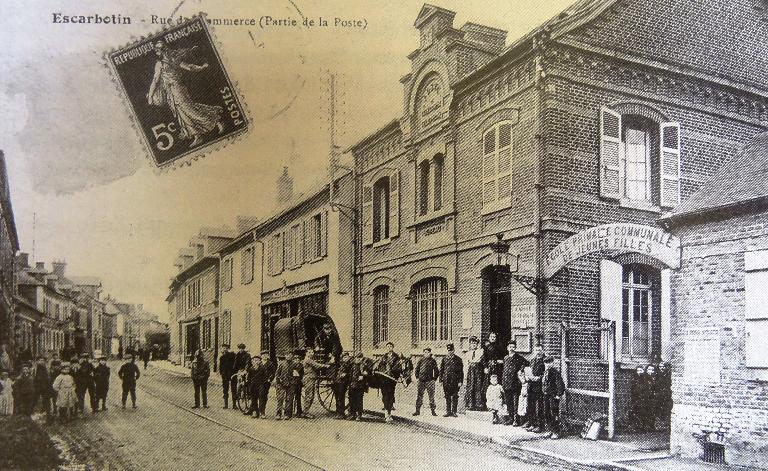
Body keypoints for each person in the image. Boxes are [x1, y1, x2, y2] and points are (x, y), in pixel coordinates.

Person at [146, 40, 225, 148]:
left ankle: (217, 122)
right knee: (181, 114)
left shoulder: (169, 61)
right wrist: (150, 96)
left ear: (162, 51)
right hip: (170, 92)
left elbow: (188, 67)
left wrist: (201, 67)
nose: (157, 53)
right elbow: (156, 80)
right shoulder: (163, 63)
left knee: (189, 110)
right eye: (156, 51)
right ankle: (197, 136)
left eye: (158, 50)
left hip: (178, 89)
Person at [501, 340, 529, 426]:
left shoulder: (519, 357)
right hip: (506, 383)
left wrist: (521, 370)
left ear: (515, 348)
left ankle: (516, 419)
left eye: (513, 347)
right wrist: (503, 382)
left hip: (515, 383)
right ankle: (510, 418)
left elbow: (527, 363)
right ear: (507, 348)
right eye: (510, 347)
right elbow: (504, 371)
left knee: (515, 401)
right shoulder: (505, 358)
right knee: (508, 401)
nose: (512, 349)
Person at [374, 342, 401, 423]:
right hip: (384, 380)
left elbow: (398, 368)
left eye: (390, 346)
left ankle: (390, 413)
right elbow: (380, 366)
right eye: (388, 346)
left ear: (393, 347)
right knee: (385, 395)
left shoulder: (396, 357)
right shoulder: (384, 357)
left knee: (391, 395)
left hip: (392, 380)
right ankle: (386, 414)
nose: (389, 348)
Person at [301, 348, 329, 418]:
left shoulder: (310, 359)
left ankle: (306, 411)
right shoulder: (307, 359)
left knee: (311, 395)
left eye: (312, 352)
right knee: (309, 395)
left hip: (312, 378)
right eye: (309, 352)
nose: (311, 353)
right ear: (306, 353)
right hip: (308, 378)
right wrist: (326, 365)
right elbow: (316, 365)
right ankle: (305, 412)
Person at [542, 356, 565, 439]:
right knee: (546, 413)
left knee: (553, 413)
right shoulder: (545, 372)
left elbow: (560, 384)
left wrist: (558, 394)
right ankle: (549, 430)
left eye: (550, 363)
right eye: (546, 363)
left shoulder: (555, 372)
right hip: (546, 395)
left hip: (553, 396)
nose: (548, 364)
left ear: (553, 363)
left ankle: (556, 431)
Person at [524, 345, 546, 433]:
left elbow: (545, 373)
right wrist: (527, 377)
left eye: (540, 350)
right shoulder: (532, 360)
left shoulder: (545, 361)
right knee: (530, 405)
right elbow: (529, 371)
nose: (538, 352)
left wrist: (539, 378)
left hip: (540, 386)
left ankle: (540, 425)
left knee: (540, 406)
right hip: (531, 386)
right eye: (536, 350)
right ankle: (532, 423)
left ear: (543, 351)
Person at [439, 343, 464, 418]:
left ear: (454, 350)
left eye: (451, 350)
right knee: (447, 396)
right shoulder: (444, 359)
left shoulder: (458, 359)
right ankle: (448, 411)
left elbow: (461, 371)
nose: (450, 352)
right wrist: (440, 380)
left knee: (455, 396)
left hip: (455, 381)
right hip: (446, 380)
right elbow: (441, 370)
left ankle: (454, 412)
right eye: (449, 350)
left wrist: (460, 381)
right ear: (447, 351)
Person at [413, 347, 439, 417]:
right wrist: (417, 378)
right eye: (425, 352)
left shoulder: (433, 360)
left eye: (428, 352)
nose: (426, 353)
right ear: (423, 353)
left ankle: (433, 411)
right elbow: (416, 369)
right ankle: (417, 411)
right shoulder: (420, 360)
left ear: (430, 353)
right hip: (421, 381)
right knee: (419, 396)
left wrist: (434, 379)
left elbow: (436, 370)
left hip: (430, 381)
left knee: (431, 397)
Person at [274, 352, 300, 420]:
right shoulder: (281, 363)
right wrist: (278, 381)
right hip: (281, 383)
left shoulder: (295, 364)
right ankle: (278, 414)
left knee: (289, 399)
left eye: (290, 355)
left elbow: (297, 374)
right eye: (287, 355)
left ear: (292, 356)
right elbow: (277, 373)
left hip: (291, 384)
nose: (289, 356)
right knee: (280, 399)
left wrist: (294, 381)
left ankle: (287, 414)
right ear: (285, 355)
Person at [464, 336, 485, 411]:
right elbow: (466, 365)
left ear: (477, 344)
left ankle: (478, 404)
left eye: (475, 343)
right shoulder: (468, 353)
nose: (473, 345)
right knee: (470, 386)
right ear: (470, 344)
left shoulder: (480, 352)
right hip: (471, 371)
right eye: (472, 343)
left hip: (478, 371)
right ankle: (470, 404)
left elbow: (482, 362)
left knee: (478, 387)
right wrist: (465, 375)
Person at [347, 352, 368, 421]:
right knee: (352, 400)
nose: (358, 359)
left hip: (360, 386)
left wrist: (364, 375)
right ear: (355, 358)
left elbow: (368, 374)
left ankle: (359, 415)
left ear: (362, 358)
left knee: (359, 400)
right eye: (357, 358)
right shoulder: (352, 365)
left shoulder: (364, 365)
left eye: (359, 358)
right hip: (352, 385)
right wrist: (349, 384)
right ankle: (352, 414)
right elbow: (349, 375)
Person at [332, 352, 352, 419]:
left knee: (341, 397)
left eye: (346, 357)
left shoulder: (349, 365)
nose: (345, 358)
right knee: (337, 397)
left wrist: (346, 374)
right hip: (337, 382)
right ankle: (338, 412)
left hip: (343, 383)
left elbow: (351, 373)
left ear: (348, 357)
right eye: (344, 357)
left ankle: (341, 413)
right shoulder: (340, 363)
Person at [218, 344, 236, 409]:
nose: (224, 349)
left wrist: (234, 372)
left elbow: (235, 364)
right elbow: (220, 367)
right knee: (225, 390)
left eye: (226, 348)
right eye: (223, 348)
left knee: (234, 389)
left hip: (232, 374)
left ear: (228, 348)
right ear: (222, 349)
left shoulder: (232, 355)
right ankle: (226, 405)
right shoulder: (221, 357)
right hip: (225, 375)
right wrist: (221, 373)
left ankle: (234, 405)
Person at [628, 365, 646, 430]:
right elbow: (632, 390)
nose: (639, 372)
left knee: (643, 412)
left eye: (641, 370)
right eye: (638, 370)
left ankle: (643, 426)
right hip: (636, 398)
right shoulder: (634, 380)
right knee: (635, 411)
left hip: (644, 398)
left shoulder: (645, 379)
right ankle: (635, 426)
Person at [290, 350, 305, 418]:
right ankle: (290, 411)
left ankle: (299, 411)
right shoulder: (291, 366)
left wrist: (297, 375)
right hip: (292, 383)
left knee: (298, 398)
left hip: (298, 383)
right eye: (295, 359)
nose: (297, 360)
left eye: (298, 359)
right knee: (291, 397)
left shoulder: (301, 366)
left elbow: (302, 375)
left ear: (300, 360)